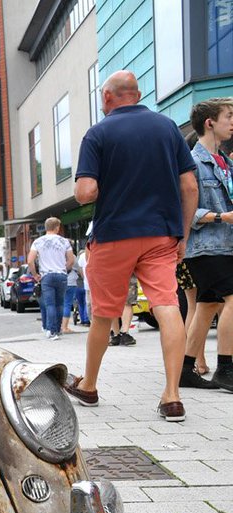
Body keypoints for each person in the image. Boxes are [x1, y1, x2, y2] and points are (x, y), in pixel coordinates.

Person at [65, 71, 199, 422]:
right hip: (160, 235)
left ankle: (90, 386)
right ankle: (172, 397)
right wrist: (181, 234)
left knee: (104, 314)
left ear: (107, 97)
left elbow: (85, 192)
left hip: (114, 235)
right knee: (167, 306)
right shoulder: (168, 128)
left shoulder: (97, 134)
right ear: (137, 95)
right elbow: (190, 188)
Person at [179, 97, 233, 392]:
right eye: (228, 116)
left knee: (207, 305)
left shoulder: (224, 162)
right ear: (210, 122)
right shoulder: (193, 162)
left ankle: (185, 370)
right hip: (207, 246)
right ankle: (226, 369)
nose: (232, 122)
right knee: (232, 301)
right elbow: (184, 208)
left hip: (223, 245)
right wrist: (221, 217)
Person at [27, 217, 75, 340]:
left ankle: (51, 330)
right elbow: (71, 260)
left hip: (46, 276)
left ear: (46, 227)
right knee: (60, 304)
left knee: (50, 304)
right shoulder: (64, 242)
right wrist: (65, 269)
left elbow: (30, 261)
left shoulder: (38, 242)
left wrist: (35, 275)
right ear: (57, 227)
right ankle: (58, 329)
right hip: (61, 275)